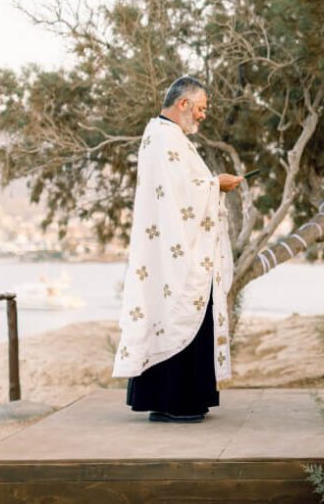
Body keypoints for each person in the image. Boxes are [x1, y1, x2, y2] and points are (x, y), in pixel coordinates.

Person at [112, 76, 244, 423]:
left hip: (178, 250)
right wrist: (217, 184)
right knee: (178, 312)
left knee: (178, 313)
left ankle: (174, 399)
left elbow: (184, 189)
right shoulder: (164, 139)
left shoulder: (167, 137)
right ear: (183, 104)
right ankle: (178, 401)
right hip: (177, 255)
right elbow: (183, 191)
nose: (202, 116)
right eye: (200, 108)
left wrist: (212, 185)